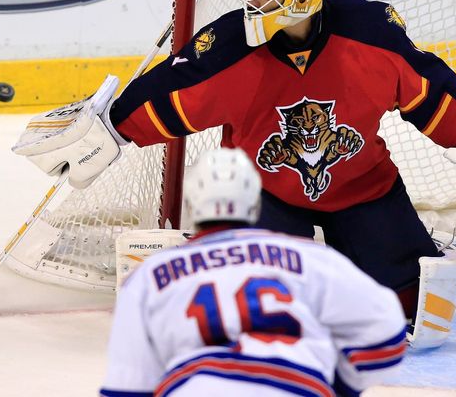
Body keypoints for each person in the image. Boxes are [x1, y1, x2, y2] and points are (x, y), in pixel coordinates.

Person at [14, 0, 456, 348]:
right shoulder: (229, 44)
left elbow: (432, 88)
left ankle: (408, 246)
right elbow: (171, 90)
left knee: (405, 321)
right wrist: (112, 127)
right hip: (262, 193)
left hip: (363, 188)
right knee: (262, 329)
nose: (256, 0)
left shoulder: (367, 35)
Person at [99, 148, 407, 397]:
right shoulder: (313, 257)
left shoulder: (150, 275)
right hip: (297, 386)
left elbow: (126, 388)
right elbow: (387, 328)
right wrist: (340, 387)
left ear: (192, 206)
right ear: (255, 203)